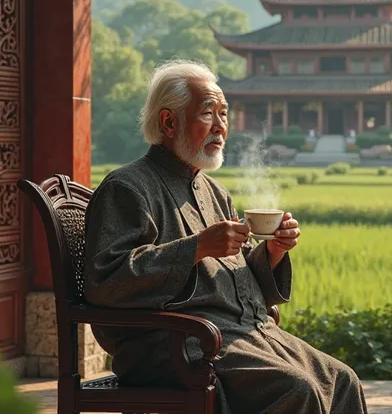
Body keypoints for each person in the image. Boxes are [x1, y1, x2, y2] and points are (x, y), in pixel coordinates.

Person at [83, 60, 368, 414]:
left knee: (343, 381)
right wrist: (197, 247)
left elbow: (240, 279)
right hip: (175, 346)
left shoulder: (215, 192)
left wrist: (274, 252)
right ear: (169, 122)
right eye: (208, 113)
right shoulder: (127, 188)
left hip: (239, 335)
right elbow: (106, 281)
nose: (221, 126)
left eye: (224, 113)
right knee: (298, 390)